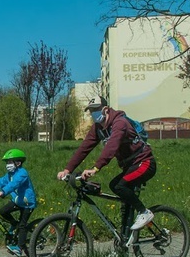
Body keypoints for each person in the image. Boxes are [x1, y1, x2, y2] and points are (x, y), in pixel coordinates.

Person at [57, 95, 156, 231]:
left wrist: (95, 168)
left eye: (96, 109)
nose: (93, 113)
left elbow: (112, 146)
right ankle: (124, 245)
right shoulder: (98, 128)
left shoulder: (120, 123)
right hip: (129, 166)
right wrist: (67, 170)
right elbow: (84, 148)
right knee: (124, 203)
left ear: (106, 110)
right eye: (91, 111)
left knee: (118, 186)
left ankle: (144, 212)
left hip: (144, 163)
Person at [0, 148, 37, 256]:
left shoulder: (22, 173)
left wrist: (3, 192)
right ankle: (14, 224)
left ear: (18, 163)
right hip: (17, 201)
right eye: (7, 163)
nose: (7, 165)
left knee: (22, 226)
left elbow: (14, 184)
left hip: (27, 203)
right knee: (3, 211)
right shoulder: (9, 175)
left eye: (9, 162)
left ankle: (19, 248)